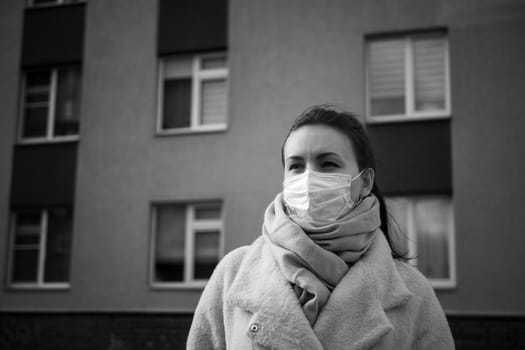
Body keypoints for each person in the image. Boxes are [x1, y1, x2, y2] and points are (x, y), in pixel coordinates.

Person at [187, 105, 455, 349]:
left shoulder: (414, 293)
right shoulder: (232, 274)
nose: (308, 178)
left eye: (328, 163)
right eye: (296, 166)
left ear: (365, 182)